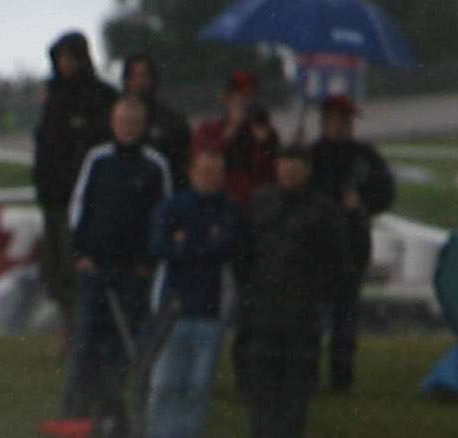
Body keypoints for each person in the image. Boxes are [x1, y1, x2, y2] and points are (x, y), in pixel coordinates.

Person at [61, 93, 171, 438]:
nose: (127, 129)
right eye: (122, 122)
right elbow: (79, 207)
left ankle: (112, 413)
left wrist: (147, 263)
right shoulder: (97, 160)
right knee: (84, 339)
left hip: (132, 274)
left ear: (143, 127)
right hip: (94, 269)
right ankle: (76, 412)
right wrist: (80, 253)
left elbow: (162, 217)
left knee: (119, 346)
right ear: (113, 123)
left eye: (134, 123)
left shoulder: (155, 166)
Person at [234, 142, 344, 438]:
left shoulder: (323, 210)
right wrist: (250, 296)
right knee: (262, 387)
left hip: (302, 315)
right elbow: (244, 253)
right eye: (285, 163)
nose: (290, 170)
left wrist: (317, 298)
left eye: (297, 164)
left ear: (307, 170)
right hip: (263, 312)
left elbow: (336, 261)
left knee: (296, 389)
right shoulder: (261, 202)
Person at [142, 144, 239, 438]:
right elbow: (160, 246)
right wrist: (199, 245)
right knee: (166, 385)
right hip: (174, 311)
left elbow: (226, 246)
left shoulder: (229, 209)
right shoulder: (172, 206)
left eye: (217, 171)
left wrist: (188, 244)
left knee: (198, 388)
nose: (211, 177)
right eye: (205, 170)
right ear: (192, 172)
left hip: (211, 314)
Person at [300, 96, 395, 390]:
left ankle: (342, 378)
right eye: (336, 119)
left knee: (345, 316)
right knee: (311, 316)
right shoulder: (310, 156)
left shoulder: (364, 157)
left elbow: (385, 192)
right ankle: (309, 376)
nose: (342, 125)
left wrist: (362, 202)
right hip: (314, 247)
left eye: (347, 120)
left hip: (351, 245)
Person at [31, 31, 117, 318]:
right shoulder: (53, 96)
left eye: (70, 58)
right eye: (60, 58)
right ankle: (66, 328)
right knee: (57, 266)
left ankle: (85, 327)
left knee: (78, 262)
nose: (65, 64)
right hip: (54, 193)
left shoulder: (100, 97)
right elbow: (45, 143)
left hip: (86, 195)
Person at [191, 72, 280, 202]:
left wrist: (262, 141)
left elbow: (267, 174)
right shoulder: (209, 130)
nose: (246, 104)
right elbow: (206, 162)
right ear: (226, 100)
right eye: (241, 99)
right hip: (219, 201)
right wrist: (231, 130)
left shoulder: (264, 133)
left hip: (255, 202)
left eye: (250, 98)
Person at [114, 55, 195, 170]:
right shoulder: (114, 114)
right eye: (134, 76)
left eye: (144, 76)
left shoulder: (170, 119)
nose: (139, 81)